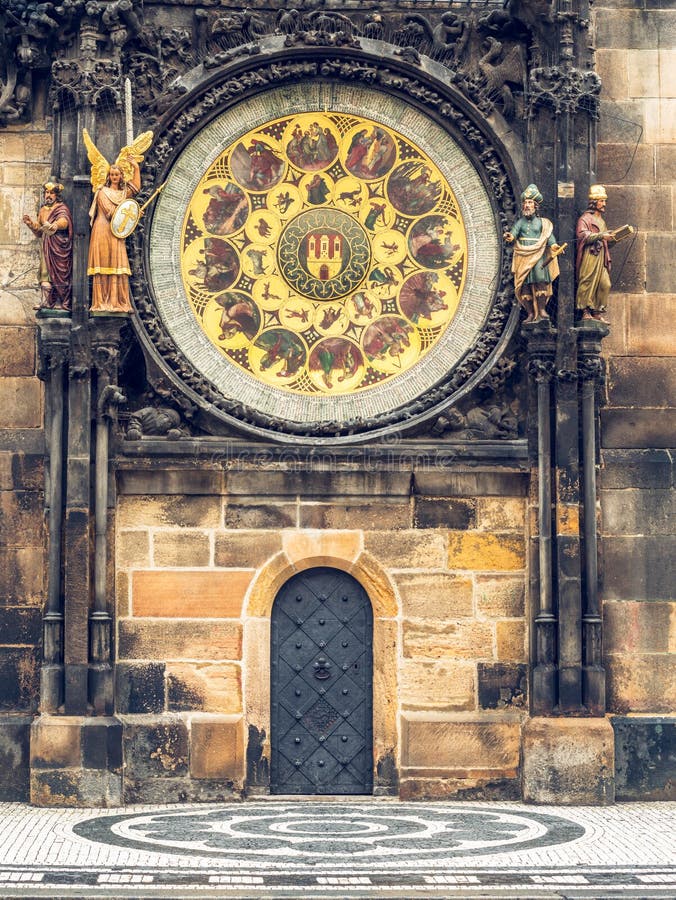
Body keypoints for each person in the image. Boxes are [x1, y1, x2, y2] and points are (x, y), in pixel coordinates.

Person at [83, 128, 153, 312]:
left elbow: (136, 188)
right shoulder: (102, 193)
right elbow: (110, 213)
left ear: (121, 176)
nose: (114, 177)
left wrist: (135, 167)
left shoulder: (123, 192)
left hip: (116, 231)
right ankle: (101, 303)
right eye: (112, 175)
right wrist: (132, 214)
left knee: (118, 265)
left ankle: (117, 302)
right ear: (108, 177)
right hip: (104, 229)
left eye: (117, 175)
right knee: (103, 265)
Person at [504, 184, 561, 323]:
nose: (527, 205)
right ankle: (530, 313)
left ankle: (541, 309)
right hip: (523, 255)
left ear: (536, 206)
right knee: (524, 285)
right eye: (525, 203)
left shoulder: (542, 223)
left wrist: (553, 245)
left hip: (539, 255)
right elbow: (513, 234)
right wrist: (510, 237)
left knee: (541, 281)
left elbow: (548, 236)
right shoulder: (520, 223)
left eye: (530, 203)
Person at [23, 180, 73, 311]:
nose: (48, 195)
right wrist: (30, 224)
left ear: (57, 195)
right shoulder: (43, 210)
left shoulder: (61, 208)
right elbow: (39, 231)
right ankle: (46, 302)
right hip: (47, 246)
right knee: (45, 274)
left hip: (59, 246)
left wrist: (55, 225)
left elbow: (65, 220)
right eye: (46, 192)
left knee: (61, 274)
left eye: (51, 193)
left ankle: (61, 302)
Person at [575, 184, 616, 322]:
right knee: (587, 281)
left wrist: (614, 239)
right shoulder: (585, 219)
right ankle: (585, 310)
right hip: (590, 256)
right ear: (594, 202)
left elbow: (605, 240)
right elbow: (583, 235)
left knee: (605, 284)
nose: (604, 204)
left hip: (601, 256)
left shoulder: (601, 221)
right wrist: (601, 235)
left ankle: (598, 311)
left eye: (604, 201)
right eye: (601, 201)